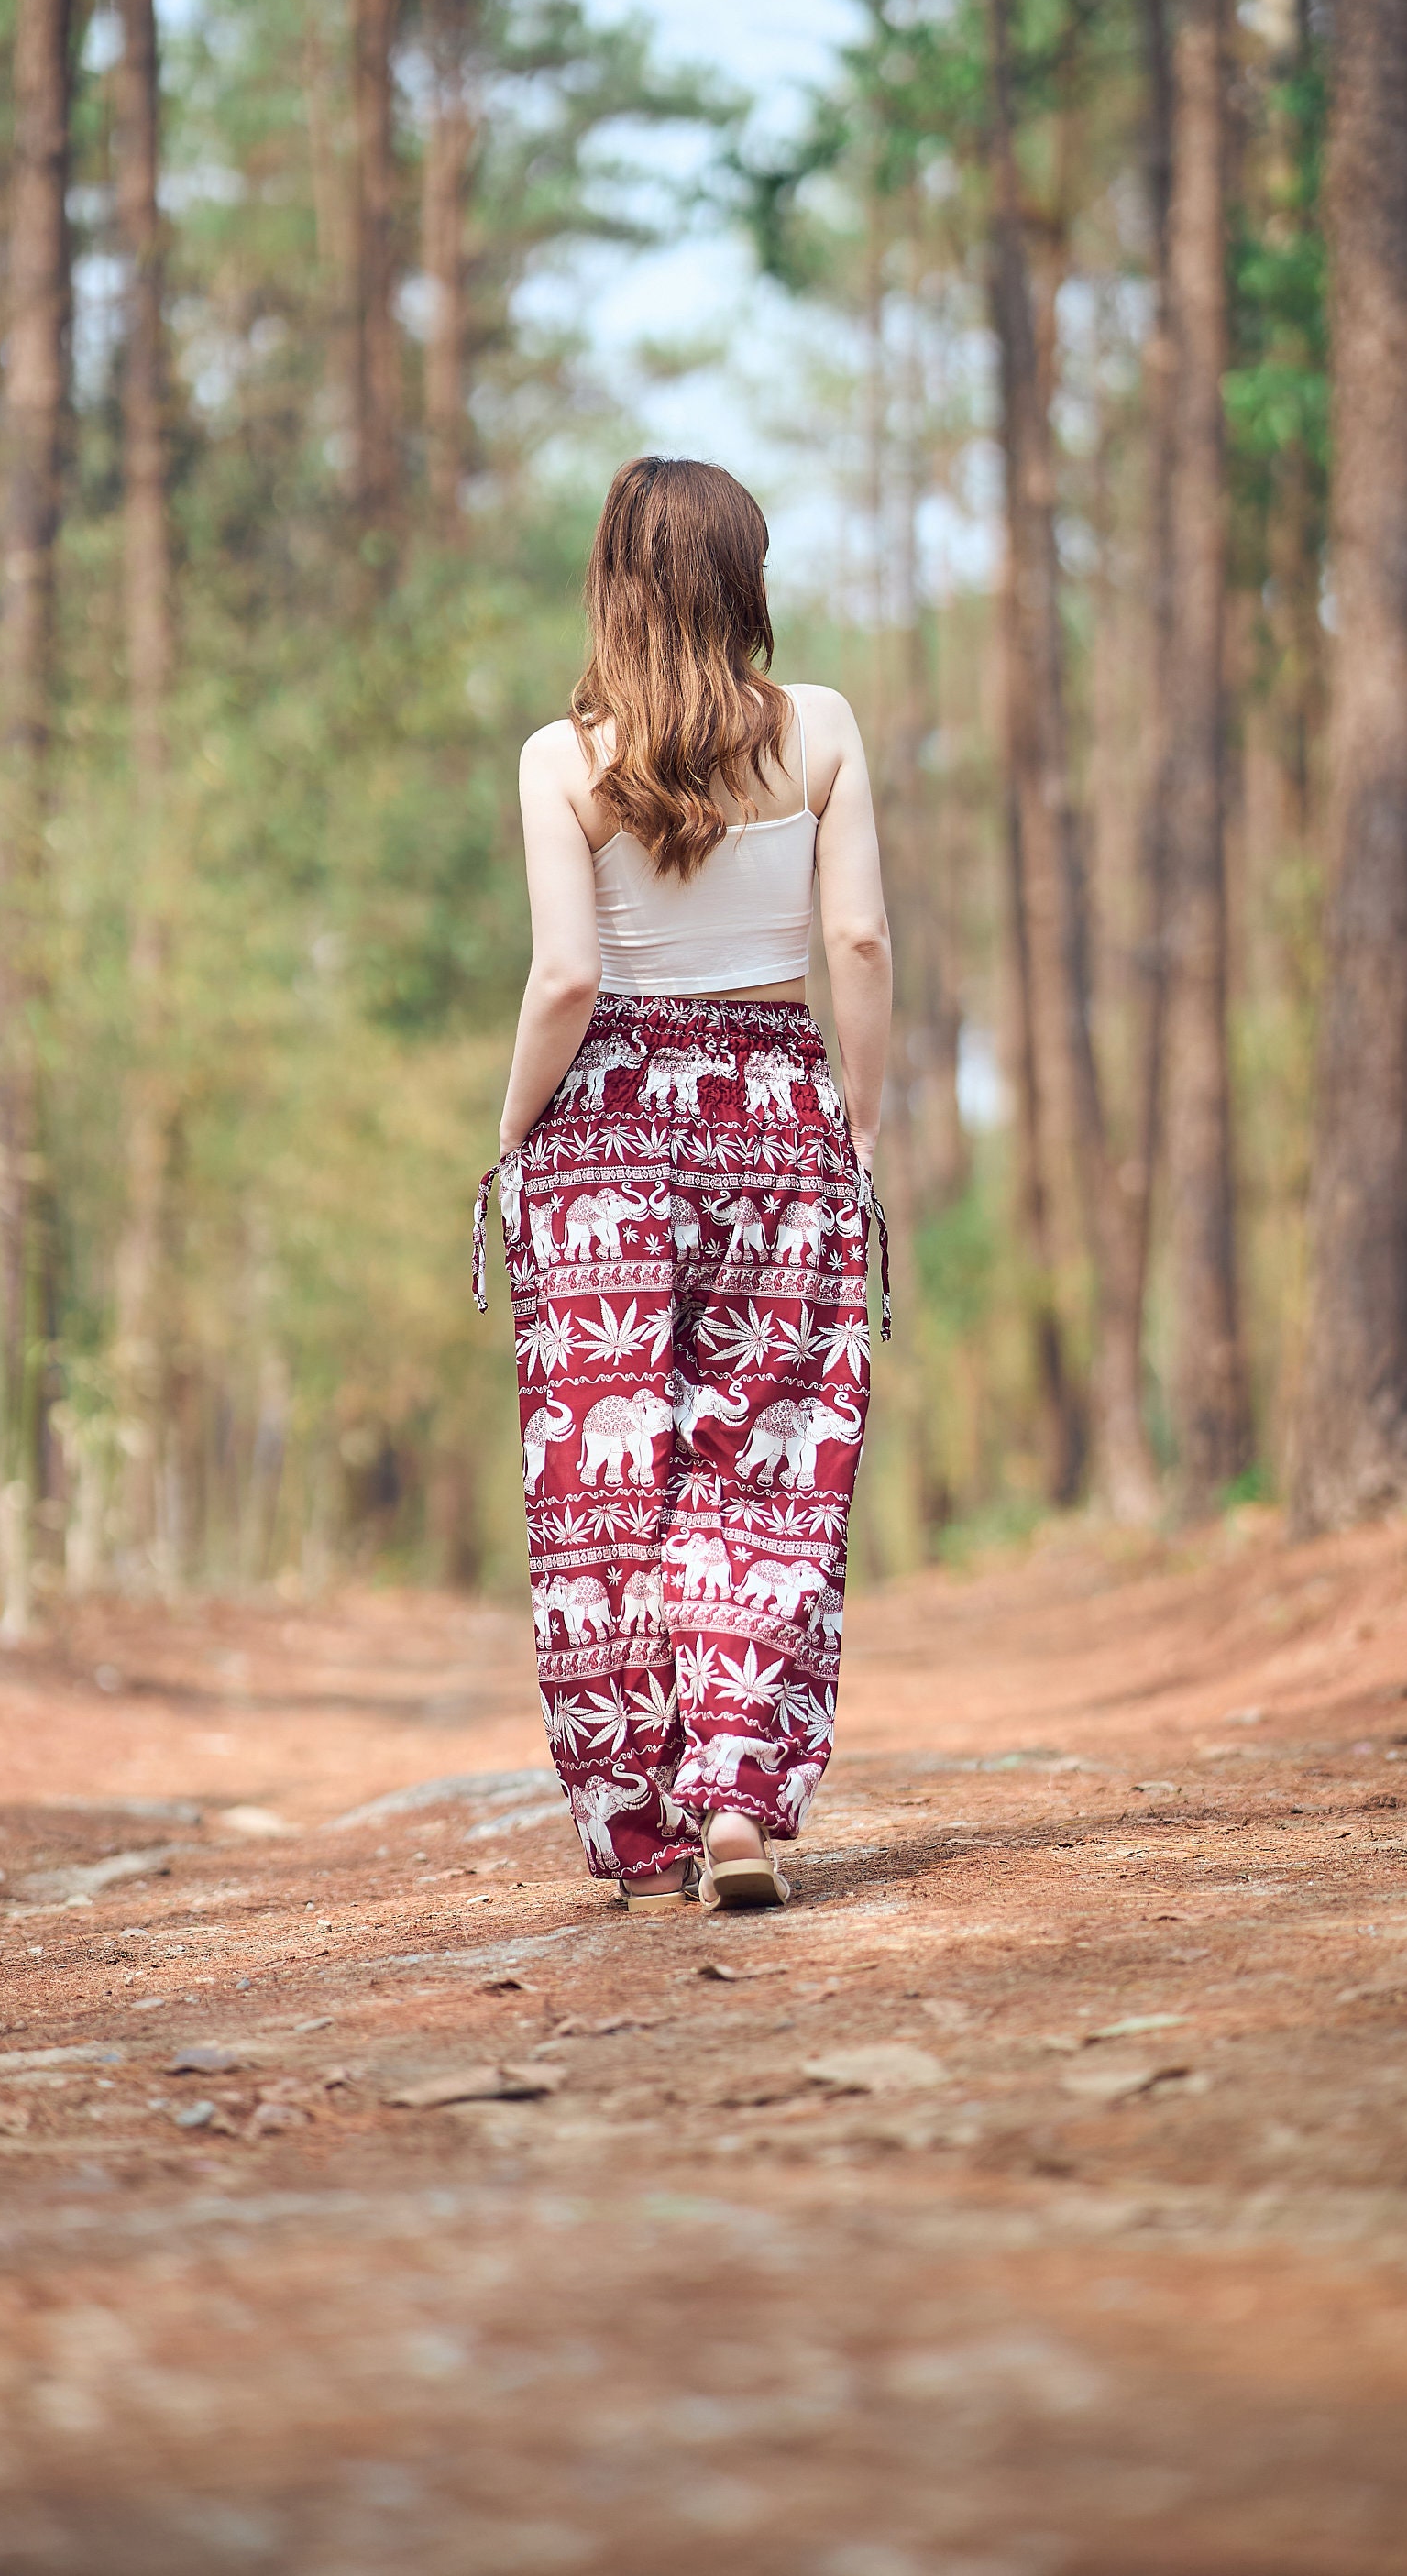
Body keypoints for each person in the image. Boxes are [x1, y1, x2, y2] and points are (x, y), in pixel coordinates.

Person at [472, 456, 892, 1918]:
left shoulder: (561, 759)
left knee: (609, 1478)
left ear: (614, 585)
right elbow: (859, 948)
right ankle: (738, 1799)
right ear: (743, 577)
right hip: (779, 1116)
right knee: (767, 1462)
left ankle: (645, 1822)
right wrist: (861, 1129)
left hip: (605, 1135)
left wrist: (509, 1137)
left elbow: (565, 977)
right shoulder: (821, 729)